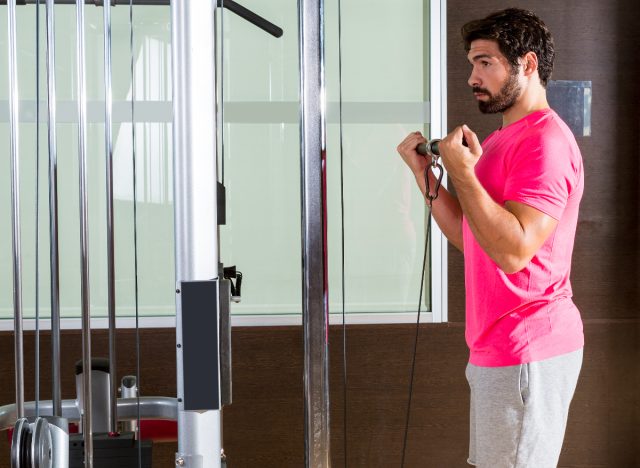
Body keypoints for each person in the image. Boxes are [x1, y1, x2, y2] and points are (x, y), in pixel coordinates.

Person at [397, 8, 584, 468]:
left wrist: (462, 172)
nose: (472, 78)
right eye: (471, 63)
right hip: (495, 345)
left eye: (485, 62)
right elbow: (475, 239)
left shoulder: (545, 143)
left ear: (528, 64)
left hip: (529, 344)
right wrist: (427, 176)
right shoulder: (505, 139)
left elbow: (514, 252)